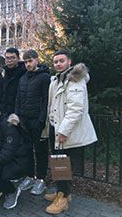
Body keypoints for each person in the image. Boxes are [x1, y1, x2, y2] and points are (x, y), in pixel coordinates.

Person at [44, 49, 97, 214]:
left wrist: (63, 131)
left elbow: (76, 109)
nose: (58, 64)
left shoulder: (75, 80)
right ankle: (61, 193)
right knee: (58, 163)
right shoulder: (56, 80)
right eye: (55, 61)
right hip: (56, 128)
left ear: (69, 62)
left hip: (66, 131)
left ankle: (63, 198)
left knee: (63, 165)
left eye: (61, 61)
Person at [10, 49, 51, 195]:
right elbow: (18, 99)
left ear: (36, 60)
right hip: (24, 120)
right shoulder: (23, 78)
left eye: (30, 61)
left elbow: (47, 100)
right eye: (26, 61)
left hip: (37, 121)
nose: (28, 64)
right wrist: (17, 116)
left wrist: (41, 120)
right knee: (26, 150)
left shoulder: (44, 77)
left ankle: (40, 179)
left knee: (40, 151)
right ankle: (29, 175)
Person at [2, 48, 26, 116]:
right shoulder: (6, 73)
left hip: (19, 114)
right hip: (6, 113)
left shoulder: (24, 72)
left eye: (12, 58)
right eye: (7, 58)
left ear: (18, 58)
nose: (9, 60)